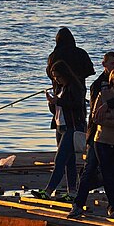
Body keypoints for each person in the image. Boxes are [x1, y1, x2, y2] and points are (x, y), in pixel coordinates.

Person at [70, 67, 114, 218]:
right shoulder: (102, 93)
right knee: (106, 173)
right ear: (112, 80)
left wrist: (111, 115)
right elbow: (97, 117)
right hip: (103, 139)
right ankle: (112, 207)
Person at [33, 60, 86, 201]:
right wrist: (52, 103)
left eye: (58, 76)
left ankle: (49, 190)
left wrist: (58, 101)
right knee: (70, 161)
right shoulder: (60, 88)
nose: (56, 79)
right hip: (60, 126)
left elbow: (77, 105)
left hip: (72, 127)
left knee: (60, 159)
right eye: (54, 77)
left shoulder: (74, 87)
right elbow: (57, 109)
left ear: (65, 74)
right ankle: (72, 192)